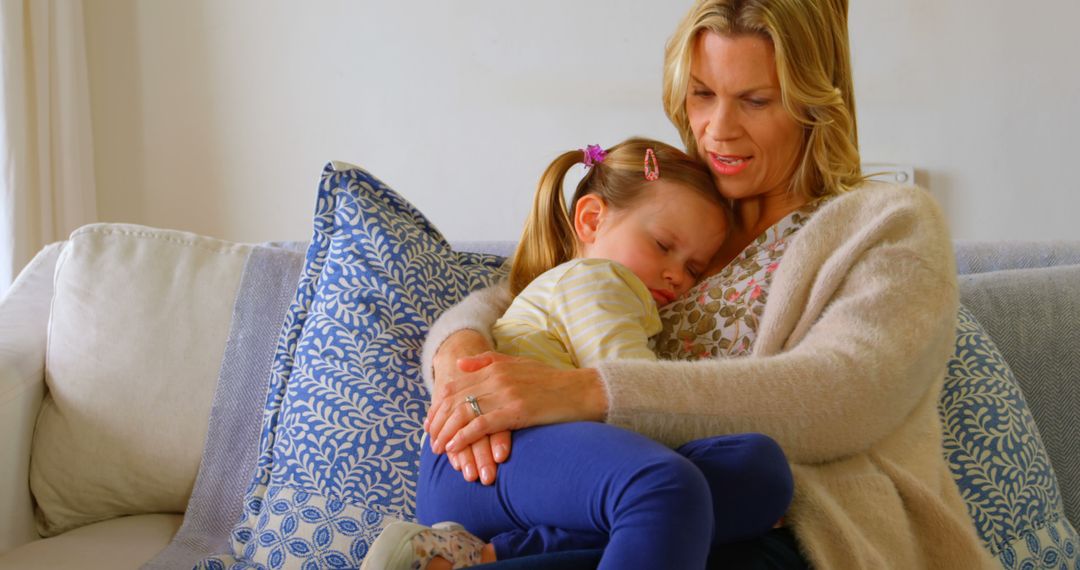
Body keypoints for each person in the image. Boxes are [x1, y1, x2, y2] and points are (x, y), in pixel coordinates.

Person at [413, 0, 999, 568]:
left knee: (690, 498)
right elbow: (545, 288)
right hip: (636, 505)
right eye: (701, 94)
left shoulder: (886, 222)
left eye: (755, 100)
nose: (718, 129)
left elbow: (848, 391)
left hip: (806, 530)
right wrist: (461, 355)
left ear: (812, 102)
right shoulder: (688, 212)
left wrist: (587, 392)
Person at [362, 138, 795, 570]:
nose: (676, 275)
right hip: (488, 455)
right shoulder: (599, 280)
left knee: (758, 471)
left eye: (694, 268)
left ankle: (473, 557)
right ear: (591, 220)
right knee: (665, 485)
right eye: (663, 245)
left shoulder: (589, 292)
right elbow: (634, 398)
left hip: (512, 473)